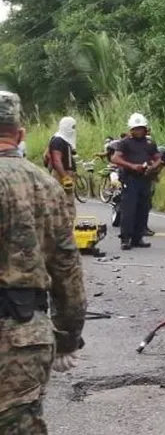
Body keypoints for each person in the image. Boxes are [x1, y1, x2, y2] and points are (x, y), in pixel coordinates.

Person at [0, 91, 85, 434]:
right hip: (22, 337)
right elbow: (66, 267)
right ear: (20, 134)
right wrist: (68, 337)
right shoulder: (46, 186)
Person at [111, 113, 162, 250]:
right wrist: (132, 166)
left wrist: (153, 167)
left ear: (145, 129)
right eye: (135, 129)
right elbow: (115, 158)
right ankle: (125, 239)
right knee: (128, 209)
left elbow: (158, 158)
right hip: (130, 178)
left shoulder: (149, 143)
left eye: (140, 128)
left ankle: (138, 238)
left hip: (145, 179)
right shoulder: (125, 143)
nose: (138, 131)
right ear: (131, 130)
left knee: (143, 208)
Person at [46, 116, 78, 206]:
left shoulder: (65, 140)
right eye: (72, 127)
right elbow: (57, 160)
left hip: (67, 174)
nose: (74, 129)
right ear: (66, 127)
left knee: (68, 202)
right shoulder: (58, 140)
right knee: (63, 202)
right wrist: (65, 177)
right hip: (61, 175)